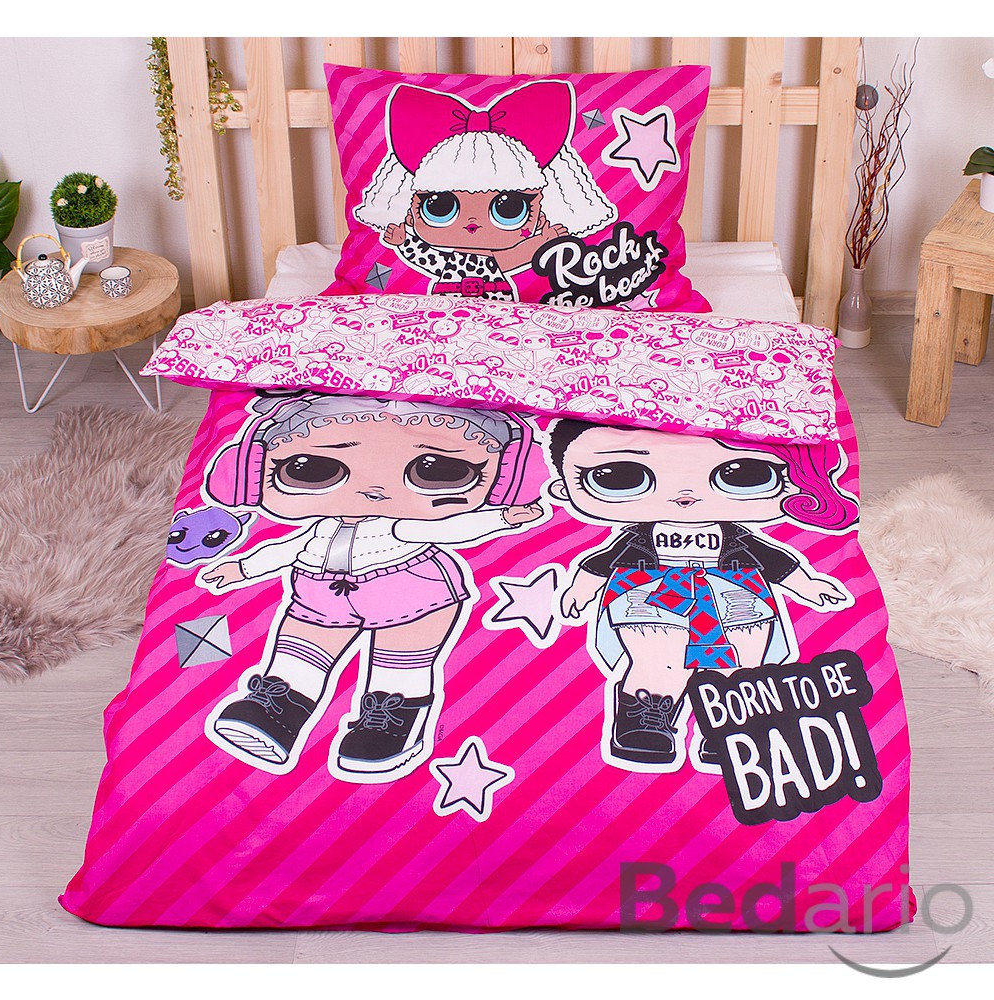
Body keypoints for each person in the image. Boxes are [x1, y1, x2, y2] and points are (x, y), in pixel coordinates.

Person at [201, 394, 543, 782]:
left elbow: (451, 529)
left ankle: (390, 725)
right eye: (312, 469)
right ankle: (274, 712)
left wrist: (503, 518)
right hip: (319, 592)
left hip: (411, 587)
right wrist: (243, 567)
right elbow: (287, 548)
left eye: (437, 471)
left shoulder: (403, 526)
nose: (373, 490)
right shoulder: (321, 528)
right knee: (297, 654)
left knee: (401, 662)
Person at [548, 419, 858, 772]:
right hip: (652, 588)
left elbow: (772, 560)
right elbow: (605, 560)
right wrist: (580, 589)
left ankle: (729, 722)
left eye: (743, 476)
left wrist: (807, 584)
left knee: (742, 658)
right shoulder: (640, 536)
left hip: (734, 590)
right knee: (659, 658)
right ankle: (646, 715)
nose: (685, 495)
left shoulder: (736, 536)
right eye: (621, 478)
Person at [354, 79, 617, 300]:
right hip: (442, 303)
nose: (472, 224)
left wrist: (543, 242)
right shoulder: (447, 260)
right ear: (412, 210)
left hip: (503, 303)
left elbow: (518, 256)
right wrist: (404, 240)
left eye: (509, 209)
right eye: (440, 207)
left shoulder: (494, 259)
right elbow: (424, 256)